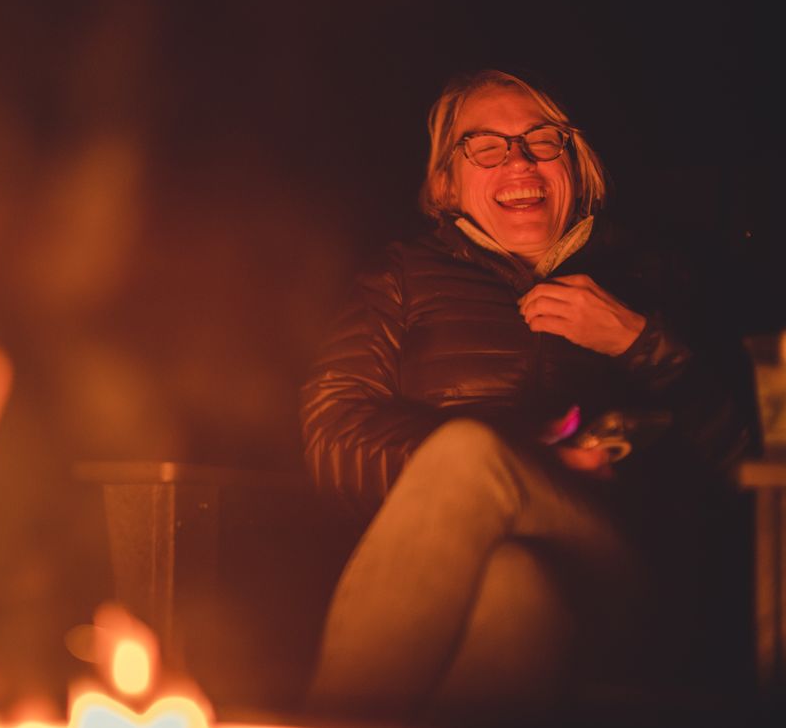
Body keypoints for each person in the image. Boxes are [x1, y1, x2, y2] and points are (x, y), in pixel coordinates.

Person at [299, 69, 759, 724]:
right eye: (484, 146)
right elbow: (332, 433)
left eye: (543, 140)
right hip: (475, 575)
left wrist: (638, 341)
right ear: (446, 183)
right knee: (516, 587)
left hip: (620, 575)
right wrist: (507, 465)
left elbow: (748, 457)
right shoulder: (401, 277)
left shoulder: (656, 277)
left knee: (467, 455)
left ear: (576, 164)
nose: (519, 159)